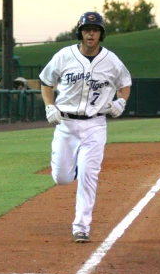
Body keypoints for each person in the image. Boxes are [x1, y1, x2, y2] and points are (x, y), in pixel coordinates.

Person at [39, 12, 132, 243]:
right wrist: (49, 105)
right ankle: (75, 167)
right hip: (66, 124)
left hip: (95, 125)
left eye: (95, 29)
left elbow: (125, 83)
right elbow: (46, 81)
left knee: (89, 176)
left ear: (101, 33)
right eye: (87, 29)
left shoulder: (111, 60)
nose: (91, 33)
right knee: (61, 178)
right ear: (80, 32)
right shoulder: (64, 56)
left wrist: (122, 101)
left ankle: (81, 226)